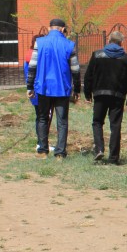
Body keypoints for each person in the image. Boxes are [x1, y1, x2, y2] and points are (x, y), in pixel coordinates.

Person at [26, 18, 81, 159]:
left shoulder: (40, 42)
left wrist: (30, 86)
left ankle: (43, 151)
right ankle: (60, 153)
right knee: (62, 121)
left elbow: (32, 66)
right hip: (62, 88)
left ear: (50, 28)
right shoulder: (69, 45)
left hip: (43, 87)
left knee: (43, 118)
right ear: (63, 29)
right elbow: (75, 69)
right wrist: (77, 89)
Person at [83, 31, 127, 165]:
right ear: (121, 42)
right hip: (118, 96)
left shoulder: (97, 55)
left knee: (97, 122)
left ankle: (99, 149)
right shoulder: (126, 58)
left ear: (108, 40)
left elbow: (89, 75)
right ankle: (113, 157)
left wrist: (87, 93)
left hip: (100, 94)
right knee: (115, 125)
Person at [24, 35, 44, 146]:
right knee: (42, 117)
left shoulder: (28, 55)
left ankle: (41, 142)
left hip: (33, 91)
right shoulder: (36, 57)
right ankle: (41, 143)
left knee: (40, 116)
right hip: (39, 91)